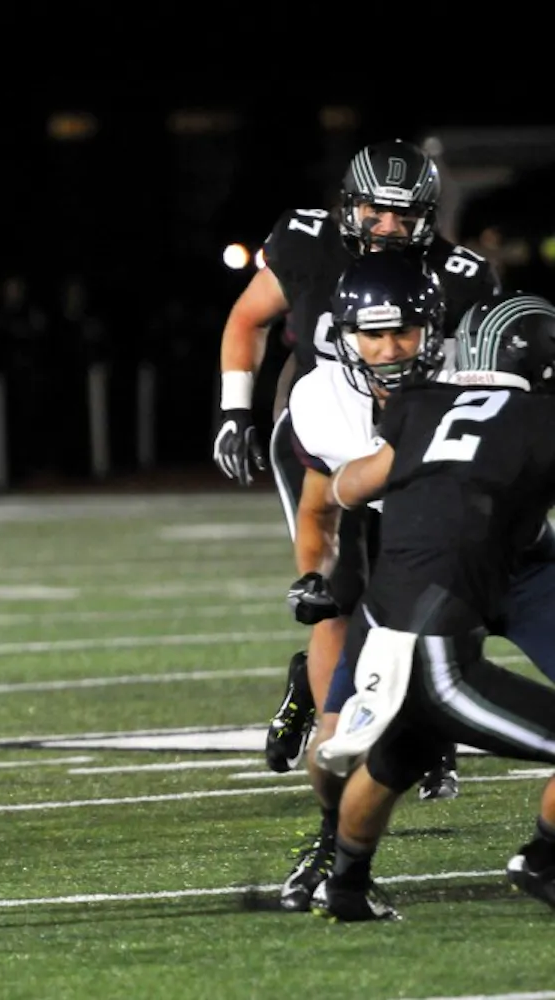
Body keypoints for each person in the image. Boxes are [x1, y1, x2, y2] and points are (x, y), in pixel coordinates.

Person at [211, 139, 501, 776]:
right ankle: (335, 732)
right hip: (326, 429)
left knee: (428, 578)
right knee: (336, 593)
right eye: (376, 210)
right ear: (349, 205)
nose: (389, 226)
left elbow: (484, 370)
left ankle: (415, 719)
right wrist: (237, 410)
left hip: (414, 434)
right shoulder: (308, 244)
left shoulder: (460, 275)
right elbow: (248, 317)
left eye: (404, 213)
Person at [278, 270, 555, 910]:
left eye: (404, 331)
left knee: (398, 751)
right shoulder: (537, 418)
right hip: (430, 622)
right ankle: (544, 860)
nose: (390, 348)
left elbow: (347, 488)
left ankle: (346, 883)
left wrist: (423, 480)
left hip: (403, 598)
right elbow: (327, 510)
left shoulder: (419, 404)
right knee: (339, 738)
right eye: (371, 335)